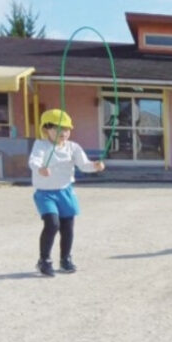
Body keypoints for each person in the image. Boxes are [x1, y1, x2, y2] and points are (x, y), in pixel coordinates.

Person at [27, 109, 105, 277]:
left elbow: (84, 165)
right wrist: (40, 168)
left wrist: (96, 166)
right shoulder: (41, 145)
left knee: (67, 227)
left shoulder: (73, 147)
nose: (63, 133)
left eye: (67, 129)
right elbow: (35, 160)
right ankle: (44, 260)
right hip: (45, 193)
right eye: (58, 129)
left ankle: (65, 259)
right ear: (46, 129)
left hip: (65, 191)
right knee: (52, 224)